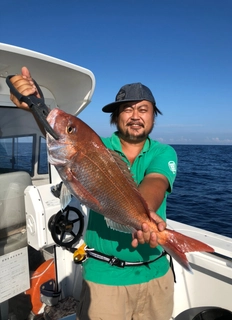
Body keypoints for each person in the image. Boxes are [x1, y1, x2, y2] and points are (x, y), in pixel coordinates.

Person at [10, 67, 178, 320]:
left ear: (154, 116)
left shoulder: (164, 153)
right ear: (116, 117)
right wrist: (36, 106)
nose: (135, 116)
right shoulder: (95, 146)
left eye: (143, 109)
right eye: (127, 109)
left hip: (157, 275)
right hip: (104, 278)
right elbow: (61, 136)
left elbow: (156, 181)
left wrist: (145, 216)